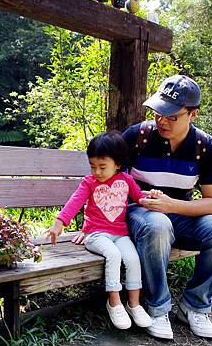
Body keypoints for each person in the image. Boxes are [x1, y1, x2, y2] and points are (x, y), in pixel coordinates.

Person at [122, 75, 212, 340]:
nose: (162, 121)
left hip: (180, 214)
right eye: (158, 113)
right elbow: (108, 182)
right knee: (158, 223)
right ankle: (157, 307)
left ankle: (194, 306)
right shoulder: (137, 136)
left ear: (193, 114)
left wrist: (171, 205)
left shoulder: (206, 147)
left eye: (172, 116)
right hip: (140, 213)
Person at [45, 130, 161, 330]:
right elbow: (74, 203)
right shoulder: (89, 183)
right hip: (95, 235)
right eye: (92, 166)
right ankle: (114, 301)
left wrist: (150, 196)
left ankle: (134, 304)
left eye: (102, 167)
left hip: (120, 233)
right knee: (113, 255)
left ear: (117, 163)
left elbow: (138, 198)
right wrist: (59, 223)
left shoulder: (126, 180)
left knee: (133, 258)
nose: (96, 172)